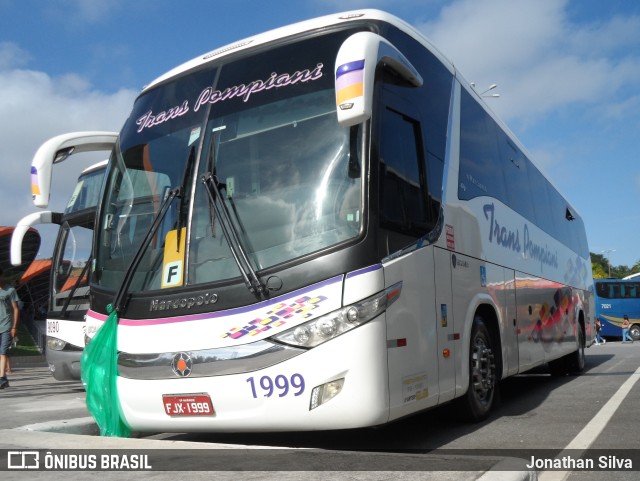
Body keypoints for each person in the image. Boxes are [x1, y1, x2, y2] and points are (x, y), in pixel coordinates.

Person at [0, 267, 21, 389]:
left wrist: (14, 327)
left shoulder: (10, 290)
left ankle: (2, 378)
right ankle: (3, 379)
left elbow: (16, 309)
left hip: (6, 326)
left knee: (3, 351)